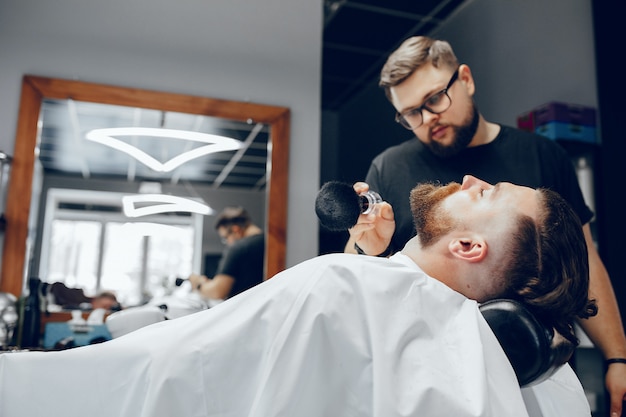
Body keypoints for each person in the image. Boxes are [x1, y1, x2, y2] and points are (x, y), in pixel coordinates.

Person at [0, 177, 597, 416]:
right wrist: (373, 260)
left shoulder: (340, 285)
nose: (470, 180)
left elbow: (168, 372)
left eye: (487, 192)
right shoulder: (518, 365)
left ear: (468, 246)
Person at [344, 35, 626, 415]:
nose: (428, 119)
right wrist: (367, 248)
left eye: (433, 99)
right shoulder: (390, 167)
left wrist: (617, 358)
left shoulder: (541, 156)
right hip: (432, 384)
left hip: (535, 375)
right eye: (411, 114)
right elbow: (361, 269)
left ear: (466, 79)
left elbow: (583, 261)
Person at [189, 206, 265, 301]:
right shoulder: (270, 244)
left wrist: (198, 285)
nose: (227, 243)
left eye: (225, 238)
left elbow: (217, 292)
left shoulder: (238, 248)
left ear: (235, 230)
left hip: (243, 311)